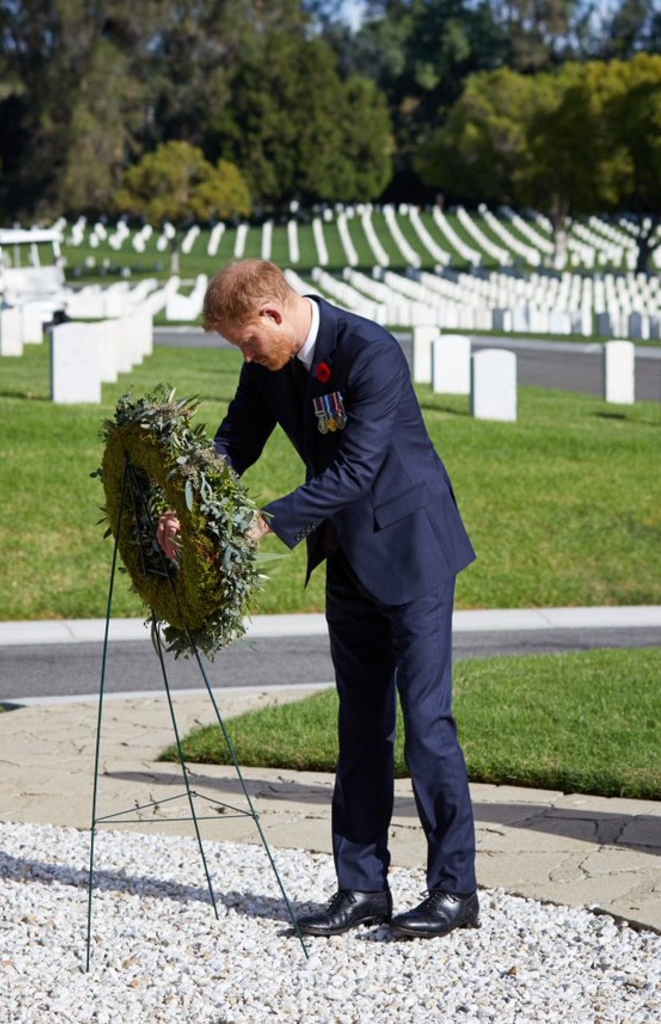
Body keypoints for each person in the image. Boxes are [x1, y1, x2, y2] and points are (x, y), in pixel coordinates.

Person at [156, 259, 479, 940]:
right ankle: (362, 886)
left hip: (413, 550)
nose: (246, 355)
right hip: (347, 557)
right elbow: (234, 442)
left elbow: (359, 468)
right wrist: (189, 503)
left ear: (273, 314)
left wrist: (268, 519)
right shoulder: (266, 368)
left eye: (246, 341)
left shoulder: (369, 351)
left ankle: (454, 890)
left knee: (426, 724)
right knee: (360, 728)